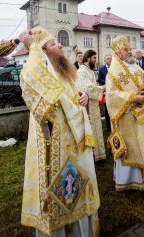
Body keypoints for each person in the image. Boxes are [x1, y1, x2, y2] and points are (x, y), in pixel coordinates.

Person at [18, 27, 100, 236]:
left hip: (77, 144)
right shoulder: (33, 71)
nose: (61, 45)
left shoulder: (63, 71)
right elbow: (36, 80)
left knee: (80, 190)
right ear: (42, 52)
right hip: (55, 146)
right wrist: (31, 45)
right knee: (60, 197)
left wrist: (83, 97)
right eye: (54, 43)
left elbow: (72, 96)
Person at [106, 35, 144, 191]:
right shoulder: (113, 72)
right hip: (128, 117)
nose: (129, 51)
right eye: (126, 49)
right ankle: (130, 180)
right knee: (133, 147)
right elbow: (111, 95)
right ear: (118, 52)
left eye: (129, 49)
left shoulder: (136, 66)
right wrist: (132, 98)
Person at [76, 50, 106, 161]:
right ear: (88, 58)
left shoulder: (89, 70)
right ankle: (93, 155)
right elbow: (87, 88)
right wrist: (103, 88)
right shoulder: (81, 72)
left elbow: (93, 85)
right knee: (92, 129)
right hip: (88, 106)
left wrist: (100, 90)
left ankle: (99, 153)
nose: (96, 60)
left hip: (94, 105)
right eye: (94, 58)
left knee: (97, 128)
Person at [97, 54, 112, 131]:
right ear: (105, 60)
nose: (109, 59)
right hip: (106, 92)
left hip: (114, 91)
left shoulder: (115, 68)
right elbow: (99, 79)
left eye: (110, 58)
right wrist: (107, 83)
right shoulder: (101, 69)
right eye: (108, 58)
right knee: (107, 110)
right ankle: (108, 127)